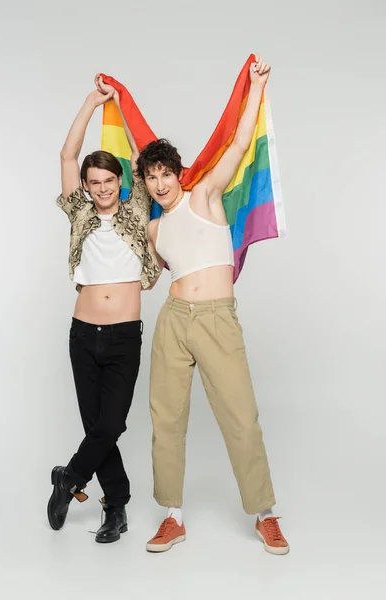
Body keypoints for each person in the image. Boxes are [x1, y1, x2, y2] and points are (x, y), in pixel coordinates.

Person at [137, 55, 290, 555]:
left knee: (240, 416)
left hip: (217, 320)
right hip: (174, 321)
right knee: (166, 418)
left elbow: (240, 143)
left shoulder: (204, 194)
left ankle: (265, 513)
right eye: (150, 178)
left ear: (178, 173)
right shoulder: (154, 228)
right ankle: (172, 516)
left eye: (164, 174)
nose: (159, 184)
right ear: (144, 183)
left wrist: (255, 88)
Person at [47, 83, 160, 543]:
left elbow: (143, 154)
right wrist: (91, 104)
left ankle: (69, 478)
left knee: (112, 422)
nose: (100, 189)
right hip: (82, 333)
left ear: (120, 181)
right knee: (98, 427)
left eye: (107, 181)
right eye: (93, 183)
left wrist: (122, 104)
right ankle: (115, 507)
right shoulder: (80, 213)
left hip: (122, 336)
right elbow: (66, 157)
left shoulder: (136, 207)